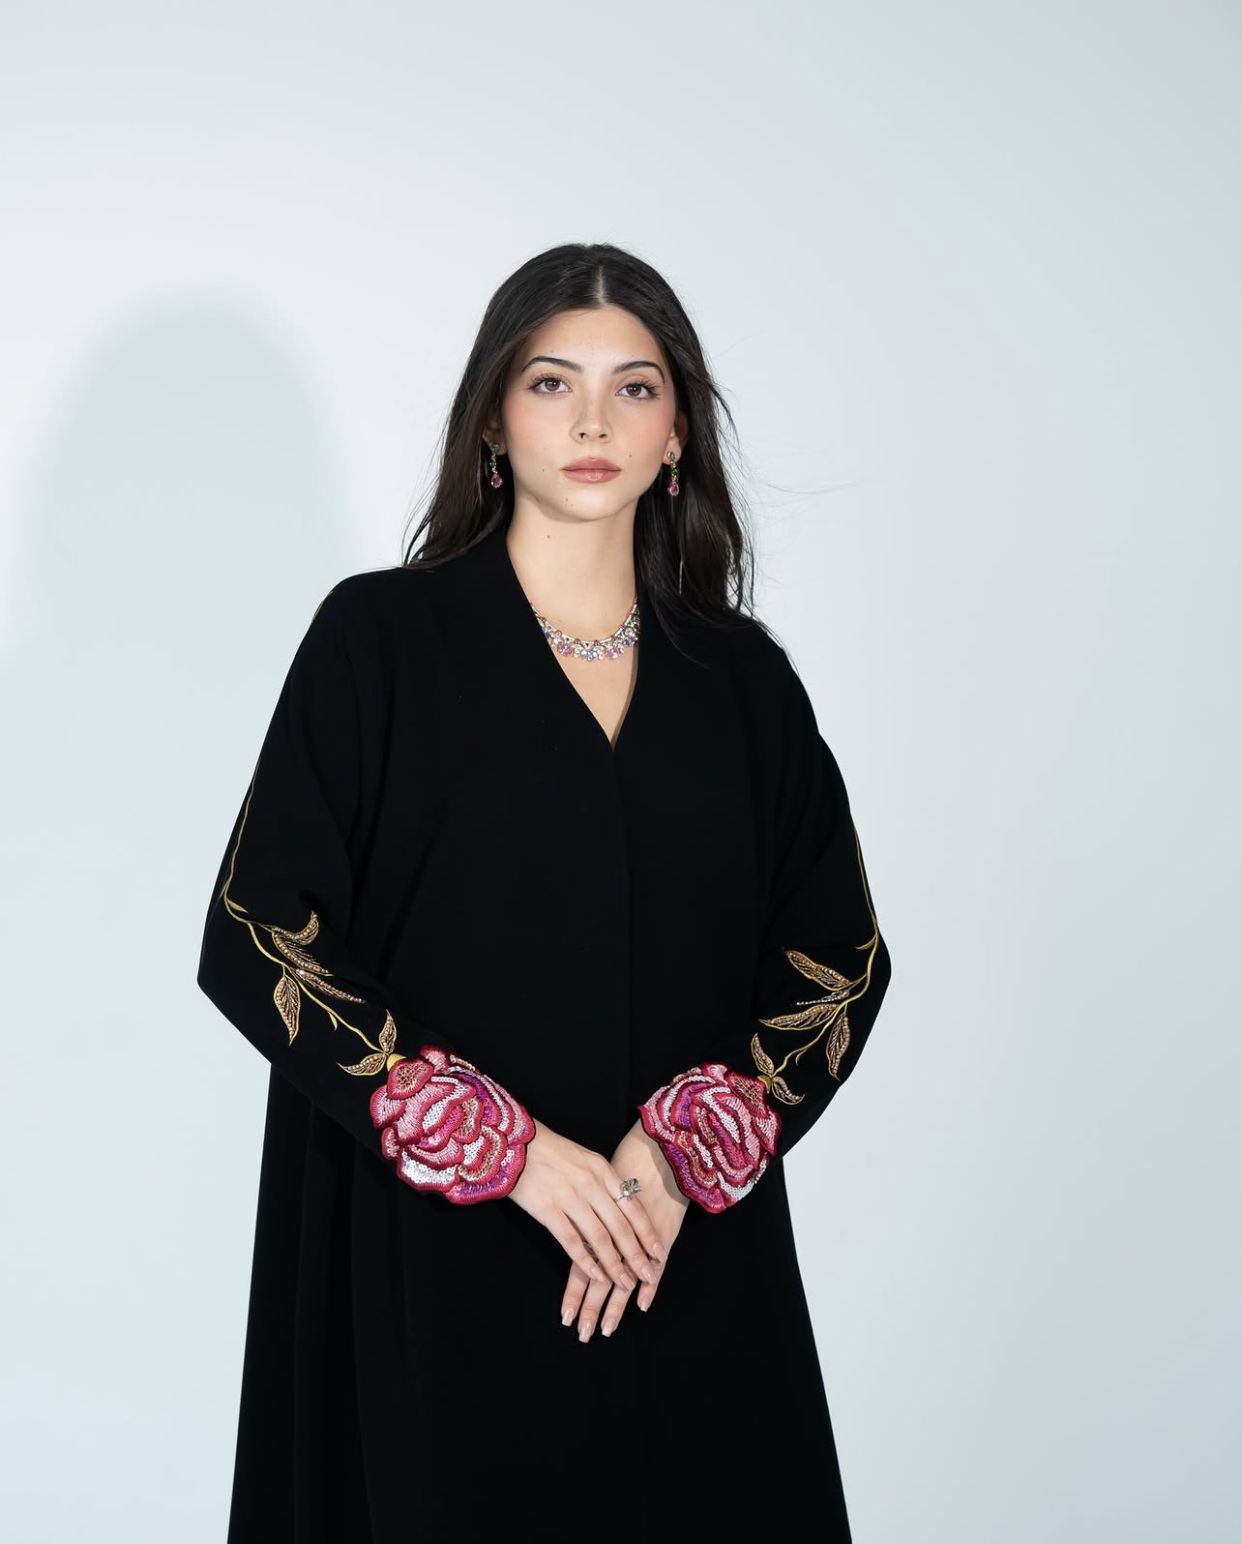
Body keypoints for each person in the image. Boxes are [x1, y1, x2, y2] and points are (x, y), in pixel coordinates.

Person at [196, 240, 893, 1543]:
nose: (591, 421)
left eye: (634, 387)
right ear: (493, 421)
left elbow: (840, 957)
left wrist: (687, 1152)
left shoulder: (741, 683)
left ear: (676, 434)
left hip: (673, 1249)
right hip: (435, 1257)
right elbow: (257, 930)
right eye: (551, 382)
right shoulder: (380, 643)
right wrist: (502, 1151)